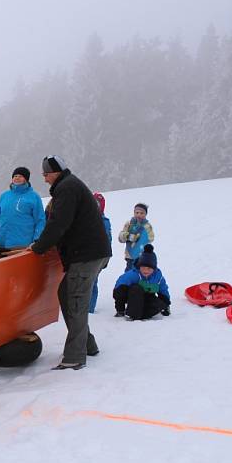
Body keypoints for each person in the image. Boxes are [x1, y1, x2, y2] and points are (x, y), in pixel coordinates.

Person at [29, 155, 112, 370]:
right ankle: (87, 343)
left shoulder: (66, 188)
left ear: (56, 172)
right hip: (93, 252)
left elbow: (58, 224)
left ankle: (74, 356)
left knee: (75, 300)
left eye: (46, 174)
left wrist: (39, 247)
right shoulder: (69, 185)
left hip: (86, 255)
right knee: (65, 294)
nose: (45, 179)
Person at [112, 244, 171, 321]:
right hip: (132, 297)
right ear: (139, 266)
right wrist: (120, 309)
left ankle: (140, 314)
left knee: (160, 305)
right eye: (143, 268)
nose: (146, 271)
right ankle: (132, 315)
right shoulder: (133, 275)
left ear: (154, 268)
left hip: (147, 297)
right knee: (136, 289)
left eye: (149, 268)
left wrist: (166, 305)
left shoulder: (158, 277)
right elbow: (119, 290)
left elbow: (163, 291)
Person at [0, 167, 46, 249]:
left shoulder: (34, 197)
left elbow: (40, 220)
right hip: (3, 245)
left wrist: (37, 239)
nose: (17, 178)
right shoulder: (4, 196)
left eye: (20, 176)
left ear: (26, 179)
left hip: (23, 245)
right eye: (15, 176)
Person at [89, 192, 113, 313]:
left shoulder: (104, 221)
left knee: (93, 282)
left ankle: (90, 308)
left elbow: (108, 241)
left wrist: (106, 258)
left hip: (98, 257)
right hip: (87, 256)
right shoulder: (86, 219)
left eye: (97, 204)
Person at [117, 203, 155, 270]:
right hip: (130, 254)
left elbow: (151, 238)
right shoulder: (129, 224)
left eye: (142, 213)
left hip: (142, 255)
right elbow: (120, 238)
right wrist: (128, 236)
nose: (139, 215)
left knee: (140, 272)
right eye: (137, 212)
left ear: (145, 214)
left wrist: (141, 238)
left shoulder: (147, 226)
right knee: (129, 271)